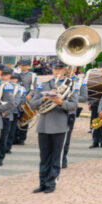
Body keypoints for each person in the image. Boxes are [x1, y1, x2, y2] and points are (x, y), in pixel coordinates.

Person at [30, 61, 78, 193]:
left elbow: (74, 105)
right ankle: (42, 183)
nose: (58, 72)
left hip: (60, 124)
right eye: (55, 69)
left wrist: (60, 102)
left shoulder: (71, 85)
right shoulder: (43, 84)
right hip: (44, 124)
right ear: (52, 70)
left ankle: (51, 183)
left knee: (56, 157)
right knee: (44, 156)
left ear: (65, 70)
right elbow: (33, 104)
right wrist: (43, 99)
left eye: (60, 69)